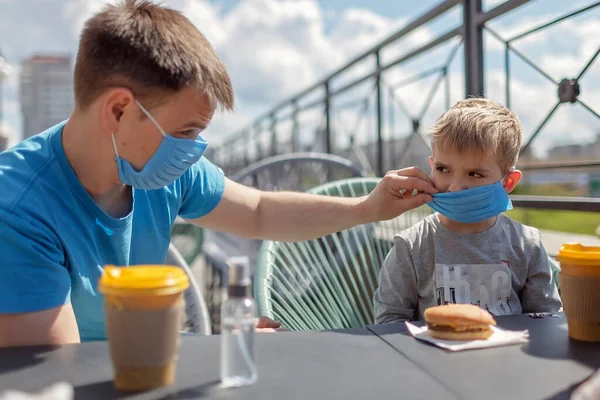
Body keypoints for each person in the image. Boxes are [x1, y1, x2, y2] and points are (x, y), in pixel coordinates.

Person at [0, 0, 438, 347]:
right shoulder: (16, 208)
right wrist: (212, 351)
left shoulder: (149, 167)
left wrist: (367, 208)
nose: (192, 149)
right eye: (185, 131)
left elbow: (261, 212)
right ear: (118, 109)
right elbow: (61, 372)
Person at [373, 98, 562, 324]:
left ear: (508, 182)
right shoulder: (412, 246)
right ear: (432, 166)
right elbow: (390, 320)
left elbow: (546, 318)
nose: (455, 187)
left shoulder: (526, 245)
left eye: (474, 174)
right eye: (443, 169)